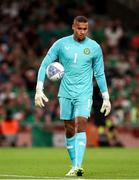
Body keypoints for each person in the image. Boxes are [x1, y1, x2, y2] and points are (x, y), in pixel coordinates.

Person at [35, 16, 111, 177]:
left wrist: (106, 97)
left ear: (87, 29)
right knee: (69, 128)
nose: (82, 31)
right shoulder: (61, 44)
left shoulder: (94, 47)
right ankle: (73, 164)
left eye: (85, 29)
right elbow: (44, 64)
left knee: (81, 123)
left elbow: (100, 73)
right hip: (65, 92)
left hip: (84, 92)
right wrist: (39, 89)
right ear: (73, 27)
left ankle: (78, 166)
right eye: (79, 28)